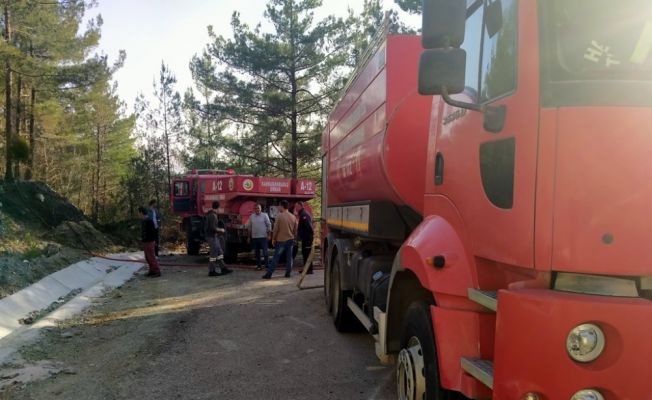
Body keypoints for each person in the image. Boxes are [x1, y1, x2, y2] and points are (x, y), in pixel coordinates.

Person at [262, 200, 296, 279]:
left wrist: (273, 239)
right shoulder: (293, 216)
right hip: (290, 240)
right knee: (289, 257)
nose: (278, 207)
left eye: (279, 206)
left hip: (281, 241)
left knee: (276, 257)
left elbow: (276, 229)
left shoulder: (279, 216)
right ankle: (288, 273)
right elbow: (295, 229)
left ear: (282, 206)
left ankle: (269, 274)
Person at [205, 201, 233, 277]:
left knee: (219, 252)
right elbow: (213, 228)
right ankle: (212, 271)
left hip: (213, 237)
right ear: (218, 208)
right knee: (214, 254)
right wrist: (221, 230)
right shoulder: (213, 216)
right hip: (212, 237)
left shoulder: (210, 214)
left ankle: (223, 268)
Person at [247, 204, 271, 271]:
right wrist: (249, 237)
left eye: (258, 208)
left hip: (263, 237)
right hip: (255, 237)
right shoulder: (252, 216)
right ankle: (259, 266)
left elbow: (269, 225)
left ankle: (267, 266)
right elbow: (249, 227)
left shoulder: (265, 215)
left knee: (265, 252)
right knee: (257, 253)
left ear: (261, 209)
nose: (257, 209)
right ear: (254, 209)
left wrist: (269, 235)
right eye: (256, 208)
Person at [139, 206, 161, 277]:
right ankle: (152, 271)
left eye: (138, 213)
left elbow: (154, 231)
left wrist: (154, 241)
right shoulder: (144, 220)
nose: (138, 215)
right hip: (146, 241)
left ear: (141, 213)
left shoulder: (149, 220)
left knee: (151, 257)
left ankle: (157, 271)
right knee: (147, 257)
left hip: (150, 241)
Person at [295, 201, 314, 274]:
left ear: (300, 206)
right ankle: (306, 269)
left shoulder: (304, 215)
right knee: (304, 253)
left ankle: (309, 270)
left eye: (296, 207)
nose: (296, 208)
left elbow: (309, 227)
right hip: (305, 238)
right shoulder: (302, 214)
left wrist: (309, 238)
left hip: (307, 239)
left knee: (307, 254)